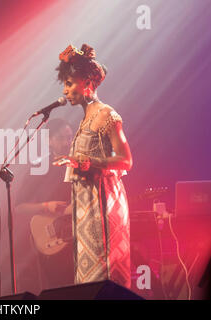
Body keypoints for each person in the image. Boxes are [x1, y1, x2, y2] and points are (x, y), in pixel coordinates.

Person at [53, 43, 133, 288]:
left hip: (104, 206)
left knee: (104, 280)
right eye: (64, 85)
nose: (66, 91)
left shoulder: (107, 115)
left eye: (70, 83)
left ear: (87, 82)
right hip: (86, 209)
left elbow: (126, 160)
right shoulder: (85, 118)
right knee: (87, 283)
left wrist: (86, 162)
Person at [14, 118, 74, 292]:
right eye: (61, 138)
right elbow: (19, 207)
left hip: (77, 238)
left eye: (69, 137)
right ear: (49, 140)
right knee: (59, 291)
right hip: (53, 239)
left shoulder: (78, 164)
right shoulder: (39, 167)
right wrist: (47, 206)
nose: (66, 142)